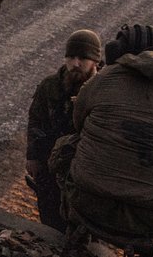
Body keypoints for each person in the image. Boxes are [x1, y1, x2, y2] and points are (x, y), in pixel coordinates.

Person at [61, 24, 153, 257]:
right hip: (152, 221)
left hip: (91, 207)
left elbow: (78, 123)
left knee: (68, 145)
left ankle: (73, 229)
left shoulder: (101, 80)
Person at [25, 29, 101, 232]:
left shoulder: (103, 91)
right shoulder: (50, 86)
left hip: (84, 172)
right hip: (49, 167)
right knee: (50, 223)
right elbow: (35, 120)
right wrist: (32, 157)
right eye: (71, 57)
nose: (76, 63)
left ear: (95, 61)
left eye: (83, 58)